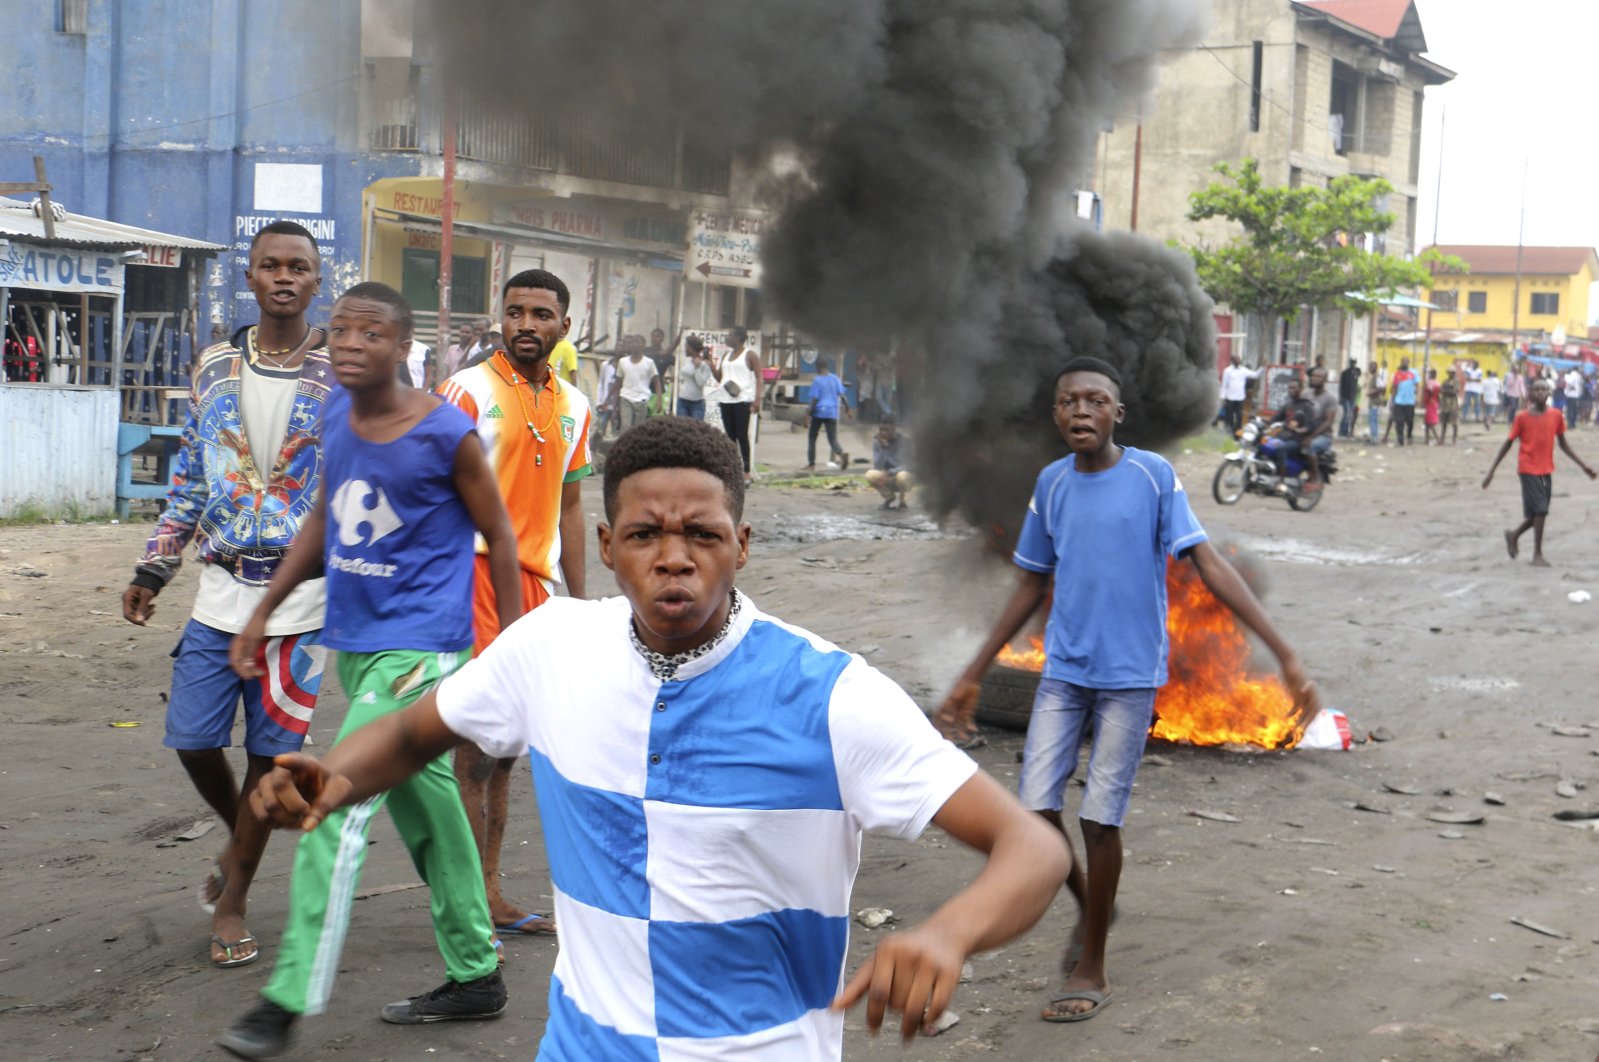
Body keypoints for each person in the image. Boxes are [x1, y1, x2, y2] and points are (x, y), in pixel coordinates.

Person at [233, 415, 1070, 1057]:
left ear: (740, 544)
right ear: (606, 545)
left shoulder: (831, 697)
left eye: (701, 534)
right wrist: (335, 780)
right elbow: (417, 731)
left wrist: (947, 933)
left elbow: (1033, 850)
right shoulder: (550, 648)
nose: (674, 557)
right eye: (645, 535)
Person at [937, 356, 1316, 1024]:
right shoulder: (1050, 484)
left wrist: (1283, 653)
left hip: (1130, 679)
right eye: (1067, 402)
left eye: (1094, 400)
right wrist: (972, 673)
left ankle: (1093, 960)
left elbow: (1207, 564)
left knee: (1098, 818)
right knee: (1036, 816)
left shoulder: (1152, 476)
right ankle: (1092, 908)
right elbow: (1029, 582)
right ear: (1055, 415)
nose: (1080, 411)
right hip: (1063, 675)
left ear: (1117, 413)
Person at [216, 283, 524, 1060]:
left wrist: (515, 648)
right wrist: (264, 608)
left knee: (332, 800)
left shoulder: (445, 433)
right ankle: (477, 971)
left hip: (421, 651)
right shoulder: (337, 416)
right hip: (358, 645)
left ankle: (284, 1001)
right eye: (342, 330)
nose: (351, 343)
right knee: (432, 811)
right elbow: (325, 513)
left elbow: (500, 533)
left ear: (402, 345)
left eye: (372, 332)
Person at [121, 220, 331, 970]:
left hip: (302, 603)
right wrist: (154, 566)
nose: (283, 277)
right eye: (270, 265)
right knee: (192, 738)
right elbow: (191, 480)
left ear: (316, 280)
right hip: (219, 590)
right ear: (249, 277)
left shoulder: (342, 375)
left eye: (297, 267)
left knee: (273, 764)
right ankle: (241, 830)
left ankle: (233, 900)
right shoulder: (214, 366)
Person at [437, 268, 592, 939]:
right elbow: (429, 483)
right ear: (500, 317)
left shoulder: (576, 406)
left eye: (541, 314)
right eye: (515, 311)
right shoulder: (466, 390)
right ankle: (470, 907)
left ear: (564, 326)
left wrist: (581, 607)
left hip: (538, 589)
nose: (526, 324)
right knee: (472, 747)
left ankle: (491, 893)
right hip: (470, 577)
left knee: (506, 753)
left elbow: (574, 505)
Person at [1483, 377, 1597, 568]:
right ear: (1530, 393)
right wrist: (1491, 471)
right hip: (1528, 469)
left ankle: (1513, 535)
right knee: (1541, 510)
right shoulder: (1522, 417)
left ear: (1549, 393)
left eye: (1544, 389)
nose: (1540, 393)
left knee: (1537, 514)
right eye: (1536, 389)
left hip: (1546, 470)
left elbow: (1563, 444)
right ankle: (1537, 554)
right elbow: (1508, 444)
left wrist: (1584, 466)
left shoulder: (1556, 416)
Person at [712, 325, 762, 483]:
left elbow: (760, 378)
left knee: (742, 435)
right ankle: (732, 470)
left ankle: (746, 472)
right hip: (726, 400)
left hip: (742, 400)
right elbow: (720, 378)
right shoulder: (726, 355)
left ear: (739, 338)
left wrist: (757, 399)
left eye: (730, 335)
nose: (727, 338)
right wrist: (709, 364)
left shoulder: (750, 355)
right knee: (730, 437)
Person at [804, 356, 851, 471]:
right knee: (832, 439)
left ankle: (811, 464)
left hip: (819, 412)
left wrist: (808, 414)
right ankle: (841, 454)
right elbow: (842, 395)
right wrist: (847, 409)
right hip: (832, 412)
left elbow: (815, 400)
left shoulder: (817, 380)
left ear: (818, 367)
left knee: (812, 437)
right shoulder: (835, 378)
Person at [610, 334, 659, 432]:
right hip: (626, 398)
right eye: (632, 342)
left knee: (638, 430)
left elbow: (656, 381)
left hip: (642, 400)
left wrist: (659, 400)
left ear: (643, 346)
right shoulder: (623, 362)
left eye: (637, 342)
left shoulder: (649, 363)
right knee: (625, 427)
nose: (634, 344)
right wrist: (612, 403)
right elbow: (617, 384)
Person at [865, 416, 914, 509]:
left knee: (902, 476)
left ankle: (903, 501)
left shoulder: (903, 441)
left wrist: (889, 472)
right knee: (870, 474)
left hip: (904, 477)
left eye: (886, 430)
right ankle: (889, 497)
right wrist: (883, 448)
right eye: (881, 430)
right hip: (887, 477)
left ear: (893, 429)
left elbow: (909, 466)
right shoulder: (877, 441)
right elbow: (877, 466)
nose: (883, 433)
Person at [1218, 353, 1260, 435]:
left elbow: (1255, 375)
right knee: (1229, 417)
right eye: (1236, 359)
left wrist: (1262, 367)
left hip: (1240, 398)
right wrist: (1223, 398)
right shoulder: (1227, 371)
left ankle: (1237, 433)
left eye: (1239, 359)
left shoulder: (1243, 370)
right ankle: (1228, 433)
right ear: (1232, 361)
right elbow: (1224, 385)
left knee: (1239, 417)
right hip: (1229, 398)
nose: (1238, 360)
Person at [675, 334, 714, 421]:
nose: (685, 349)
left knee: (696, 431)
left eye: (686, 347)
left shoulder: (705, 365)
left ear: (692, 348)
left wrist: (697, 368)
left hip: (697, 404)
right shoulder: (687, 360)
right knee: (681, 429)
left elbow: (700, 383)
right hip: (682, 400)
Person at [1389, 358, 1417, 446]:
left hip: (1410, 401)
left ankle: (1409, 436)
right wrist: (1392, 400)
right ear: (1401, 363)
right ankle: (1400, 440)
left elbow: (1417, 386)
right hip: (1399, 401)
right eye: (1403, 361)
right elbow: (1394, 387)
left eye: (1406, 361)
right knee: (1399, 422)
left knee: (1410, 421)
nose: (1404, 363)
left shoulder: (1413, 373)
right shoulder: (1397, 374)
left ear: (1409, 363)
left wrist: (1417, 398)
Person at [594, 351, 620, 438]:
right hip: (605, 404)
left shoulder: (624, 365)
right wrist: (599, 401)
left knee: (615, 433)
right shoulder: (606, 365)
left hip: (618, 406)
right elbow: (601, 383)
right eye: (618, 347)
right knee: (600, 430)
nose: (619, 349)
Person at [1337, 358, 1361, 438]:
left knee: (1350, 415)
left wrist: (1355, 371)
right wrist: (1340, 397)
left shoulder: (1356, 373)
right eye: (1352, 363)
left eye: (1354, 363)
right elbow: (1341, 386)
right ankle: (1341, 432)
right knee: (1346, 415)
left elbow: (1359, 372)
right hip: (1345, 397)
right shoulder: (1345, 373)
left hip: (1352, 397)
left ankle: (1346, 432)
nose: (1353, 364)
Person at [1364, 359, 1385, 442]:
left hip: (1375, 401)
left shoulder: (1377, 376)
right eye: (1369, 366)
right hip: (1373, 401)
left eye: (1371, 367)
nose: (1370, 368)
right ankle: (1374, 437)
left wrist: (1371, 392)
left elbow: (1382, 388)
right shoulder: (1373, 376)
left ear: (1375, 368)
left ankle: (1374, 438)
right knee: (1373, 420)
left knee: (1373, 420)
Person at [1438, 370, 1460, 445]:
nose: (1450, 374)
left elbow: (1455, 392)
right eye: (1449, 372)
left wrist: (1446, 391)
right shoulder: (1445, 381)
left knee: (1454, 423)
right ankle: (1442, 438)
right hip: (1444, 405)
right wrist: (1449, 390)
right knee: (1444, 423)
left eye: (1451, 372)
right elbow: (1441, 390)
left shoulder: (1456, 381)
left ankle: (1454, 439)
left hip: (1453, 405)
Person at [1422, 368, 1441, 446]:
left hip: (1430, 403)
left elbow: (1430, 391)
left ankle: (1437, 439)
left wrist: (1427, 399)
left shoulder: (1429, 383)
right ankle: (1427, 439)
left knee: (1430, 423)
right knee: (1427, 422)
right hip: (1434, 403)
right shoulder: (1437, 383)